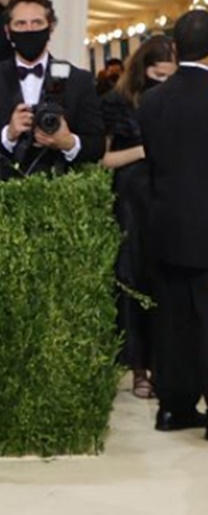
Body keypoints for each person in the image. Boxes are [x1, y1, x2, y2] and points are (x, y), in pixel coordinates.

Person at [137, 10, 208, 436]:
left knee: (173, 321)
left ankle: (173, 408)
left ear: (175, 48)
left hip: (165, 223)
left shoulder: (152, 100)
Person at [100, 36, 176, 399]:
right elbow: (104, 159)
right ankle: (138, 366)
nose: (164, 81)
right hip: (131, 200)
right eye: (158, 74)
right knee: (131, 280)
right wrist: (145, 150)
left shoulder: (179, 100)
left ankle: (165, 364)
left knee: (166, 282)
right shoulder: (117, 103)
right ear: (144, 69)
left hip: (169, 200)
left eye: (169, 75)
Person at [0, 0, 103, 175]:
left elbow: (97, 145)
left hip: (60, 190)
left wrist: (68, 142)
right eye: (20, 24)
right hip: (1, 192)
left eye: (37, 23)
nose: (29, 30)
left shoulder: (78, 80)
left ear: (51, 27)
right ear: (7, 31)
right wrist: (8, 135)